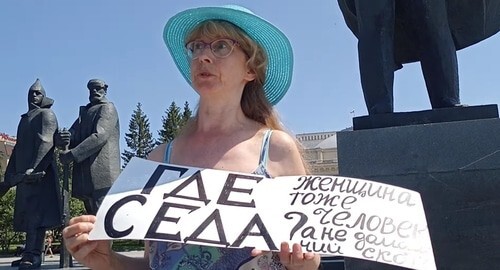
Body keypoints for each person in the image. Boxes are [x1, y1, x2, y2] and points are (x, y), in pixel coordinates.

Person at [62, 5, 321, 270]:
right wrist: (108, 261)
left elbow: (310, 258)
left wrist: (303, 262)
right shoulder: (158, 159)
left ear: (251, 69)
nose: (203, 56)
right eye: (197, 47)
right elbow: (154, 263)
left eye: (221, 46)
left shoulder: (276, 149)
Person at [4, 79, 61, 269]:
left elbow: (46, 142)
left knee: (37, 216)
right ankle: (28, 252)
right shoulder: (25, 119)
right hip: (24, 175)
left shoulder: (46, 115)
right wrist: (10, 173)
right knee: (28, 215)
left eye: (38, 93)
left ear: (44, 96)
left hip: (40, 174)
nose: (34, 96)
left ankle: (35, 255)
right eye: (31, 93)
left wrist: (34, 168)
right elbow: (19, 147)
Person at [56, 79, 121, 215]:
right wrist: (63, 137)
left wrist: (72, 154)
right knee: (92, 219)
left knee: (102, 218)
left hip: (102, 175)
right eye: (91, 89)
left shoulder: (107, 108)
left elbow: (100, 136)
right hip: (85, 175)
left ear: (105, 90)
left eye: (98, 88)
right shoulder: (85, 112)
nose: (95, 91)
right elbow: (72, 134)